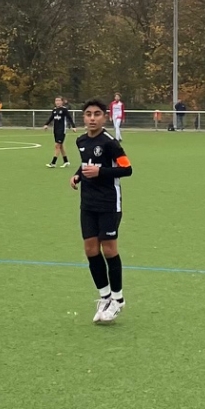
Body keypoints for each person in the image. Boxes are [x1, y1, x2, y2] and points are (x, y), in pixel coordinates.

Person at [70, 99, 132, 323]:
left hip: (108, 203)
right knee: (90, 249)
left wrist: (100, 172)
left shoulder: (110, 143)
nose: (92, 118)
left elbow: (127, 169)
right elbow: (86, 162)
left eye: (97, 114)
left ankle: (118, 299)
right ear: (83, 117)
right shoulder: (81, 140)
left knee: (109, 249)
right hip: (88, 203)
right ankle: (105, 296)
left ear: (104, 117)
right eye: (88, 114)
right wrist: (78, 175)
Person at [46, 96, 73, 168]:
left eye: (59, 100)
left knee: (57, 146)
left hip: (61, 130)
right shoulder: (54, 110)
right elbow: (51, 118)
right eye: (56, 101)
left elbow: (69, 118)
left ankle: (53, 163)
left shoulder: (64, 110)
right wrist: (46, 124)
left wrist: (73, 126)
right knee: (61, 146)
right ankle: (66, 161)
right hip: (55, 130)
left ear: (62, 102)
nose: (57, 102)